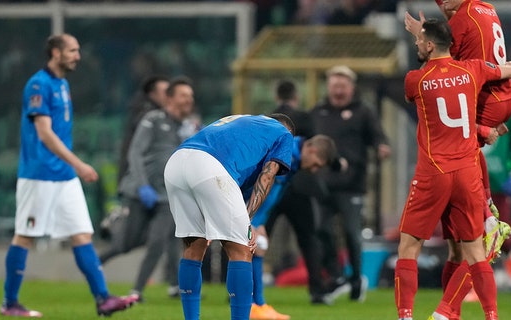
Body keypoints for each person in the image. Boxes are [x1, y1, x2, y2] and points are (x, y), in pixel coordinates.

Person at [0, 33, 138, 317]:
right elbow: (44, 133)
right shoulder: (39, 84)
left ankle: (103, 299)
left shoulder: (62, 83)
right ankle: (10, 303)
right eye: (72, 50)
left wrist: (71, 168)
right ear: (55, 52)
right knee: (25, 236)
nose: (78, 56)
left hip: (63, 177)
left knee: (81, 234)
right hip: (40, 174)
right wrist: (79, 164)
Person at [394, 18, 511, 320]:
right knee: (475, 252)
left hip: (434, 172)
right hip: (468, 173)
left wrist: (424, 39)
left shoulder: (415, 80)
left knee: (409, 247)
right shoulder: (473, 69)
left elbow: (432, 102)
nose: (416, 44)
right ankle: (491, 315)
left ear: (428, 44)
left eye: (419, 41)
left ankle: (405, 315)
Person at [405, 0, 511, 263]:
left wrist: (421, 35)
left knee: (449, 136)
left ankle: (489, 219)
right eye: (439, 3)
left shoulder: (460, 20)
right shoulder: (485, 7)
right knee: (456, 247)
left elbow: (437, 64)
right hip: (500, 93)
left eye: (445, 2)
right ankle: (448, 306)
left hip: (485, 100)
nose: (444, 7)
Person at [164, 113, 295, 320]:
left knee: (193, 247)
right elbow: (268, 175)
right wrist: (248, 220)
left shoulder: (241, 119)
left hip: (176, 162)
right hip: (210, 167)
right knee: (241, 249)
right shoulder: (283, 134)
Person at [99, 76, 195, 302]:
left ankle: (137, 290)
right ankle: (96, 263)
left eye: (191, 96)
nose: (188, 100)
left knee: (159, 241)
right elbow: (135, 152)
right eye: (184, 95)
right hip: (141, 192)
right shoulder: (152, 119)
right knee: (126, 243)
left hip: (166, 195)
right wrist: (142, 185)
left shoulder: (189, 128)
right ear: (170, 98)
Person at [309, 65, 392, 302]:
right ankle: (337, 276)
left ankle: (356, 279)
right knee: (320, 230)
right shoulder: (318, 112)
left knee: (351, 234)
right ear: (329, 87)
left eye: (342, 86)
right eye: (334, 85)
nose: (338, 90)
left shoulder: (363, 111)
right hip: (322, 183)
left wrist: (381, 147)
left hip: (351, 184)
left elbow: (377, 135)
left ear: (351, 89)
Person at [249, 134, 338, 319]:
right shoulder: (285, 153)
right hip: (244, 196)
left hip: (254, 206)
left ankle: (259, 304)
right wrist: (254, 220)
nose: (314, 170)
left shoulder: (294, 159)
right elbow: (264, 185)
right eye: (316, 164)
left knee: (258, 246)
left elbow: (273, 192)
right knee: (248, 247)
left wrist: (261, 222)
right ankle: (249, 304)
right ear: (311, 150)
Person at [481, 107, 511, 290]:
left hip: (498, 183)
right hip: (471, 179)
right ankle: (476, 285)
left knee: (500, 235)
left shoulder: (509, 110)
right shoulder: (466, 99)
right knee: (473, 234)